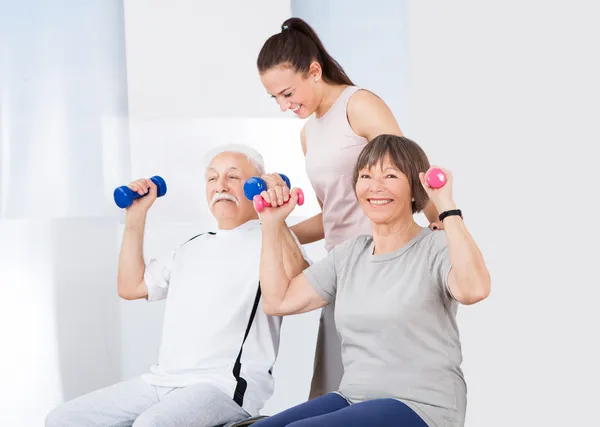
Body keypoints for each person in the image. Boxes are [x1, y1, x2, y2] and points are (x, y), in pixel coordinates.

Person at [45, 144, 310, 427]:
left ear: (256, 186)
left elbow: (304, 284)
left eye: (233, 177)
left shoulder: (271, 237)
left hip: (221, 387)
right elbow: (131, 286)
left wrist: (275, 216)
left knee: (150, 425)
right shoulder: (192, 247)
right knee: (63, 419)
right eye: (212, 178)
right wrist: (136, 214)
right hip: (162, 381)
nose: (220, 185)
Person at [256, 17, 444, 399]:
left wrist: (442, 226)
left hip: (385, 265)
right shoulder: (309, 133)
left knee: (380, 394)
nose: (283, 105)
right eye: (274, 98)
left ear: (313, 71)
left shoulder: (358, 104)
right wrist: (272, 228)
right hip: (341, 270)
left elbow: (411, 169)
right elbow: (331, 216)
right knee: (331, 393)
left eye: (287, 93)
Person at [252, 134, 491, 427]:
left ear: (415, 189)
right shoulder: (351, 254)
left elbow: (474, 290)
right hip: (354, 397)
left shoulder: (436, 246)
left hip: (422, 404)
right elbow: (279, 301)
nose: (375, 186)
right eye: (366, 175)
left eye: (390, 175)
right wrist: (272, 223)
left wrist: (447, 208)